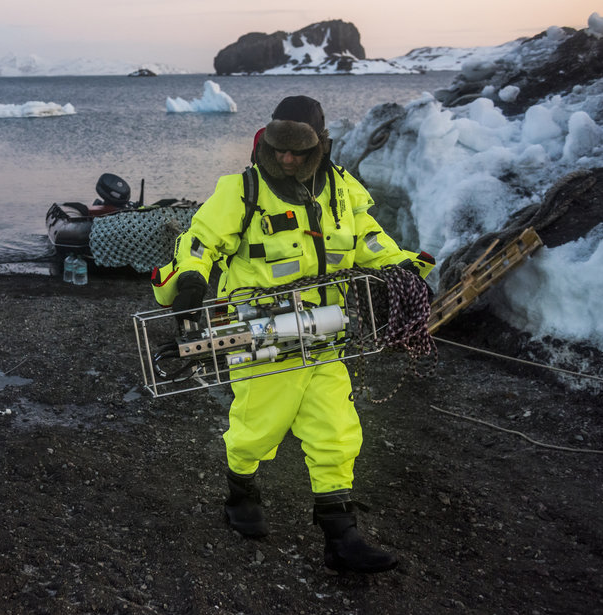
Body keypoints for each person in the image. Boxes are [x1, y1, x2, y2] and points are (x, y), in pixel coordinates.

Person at [151, 95, 435, 573]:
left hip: (325, 332)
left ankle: (341, 538)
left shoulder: (343, 191)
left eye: (297, 152)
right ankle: (241, 492)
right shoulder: (240, 191)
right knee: (257, 428)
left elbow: (368, 241)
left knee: (337, 432)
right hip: (259, 333)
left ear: (319, 147)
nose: (286, 159)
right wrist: (192, 277)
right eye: (278, 149)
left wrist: (402, 267)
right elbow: (199, 240)